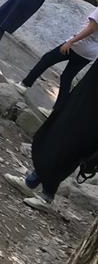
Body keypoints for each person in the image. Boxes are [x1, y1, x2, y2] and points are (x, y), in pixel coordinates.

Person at [6, 59, 98, 209]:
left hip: (90, 118)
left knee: (68, 149)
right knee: (55, 138)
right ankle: (31, 182)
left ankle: (47, 195)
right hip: (81, 102)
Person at [19, 1, 98, 110]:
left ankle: (24, 85)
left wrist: (71, 41)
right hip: (91, 52)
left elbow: (91, 28)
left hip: (79, 45)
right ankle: (57, 111)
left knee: (47, 59)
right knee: (67, 77)